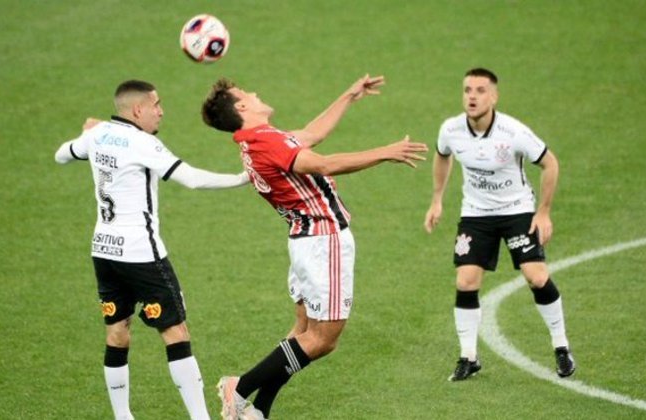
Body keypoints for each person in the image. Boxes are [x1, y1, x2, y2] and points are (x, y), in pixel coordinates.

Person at [201, 75, 428, 419]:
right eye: (246, 92)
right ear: (242, 107)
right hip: (324, 241)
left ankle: (258, 410)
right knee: (323, 339)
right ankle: (241, 387)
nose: (254, 91)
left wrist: (349, 95)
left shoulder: (260, 140)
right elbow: (322, 163)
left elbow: (313, 133)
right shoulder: (267, 143)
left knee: (303, 332)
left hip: (305, 241)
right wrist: (384, 153)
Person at [54, 79, 249, 420]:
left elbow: (61, 155)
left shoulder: (98, 135)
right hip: (142, 254)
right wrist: (242, 177)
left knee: (118, 331)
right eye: (156, 105)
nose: (161, 111)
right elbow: (191, 178)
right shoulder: (143, 143)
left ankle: (122, 416)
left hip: (104, 251)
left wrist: (92, 134)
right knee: (175, 332)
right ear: (138, 109)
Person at [423, 68, 576, 381]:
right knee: (466, 281)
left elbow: (550, 163)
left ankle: (561, 347)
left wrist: (543, 212)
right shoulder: (451, 129)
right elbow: (442, 155)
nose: (472, 96)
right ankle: (469, 357)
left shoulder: (513, 132)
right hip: (476, 215)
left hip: (517, 210)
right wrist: (437, 198)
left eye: (480, 91)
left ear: (493, 97)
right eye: (467, 90)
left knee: (535, 276)